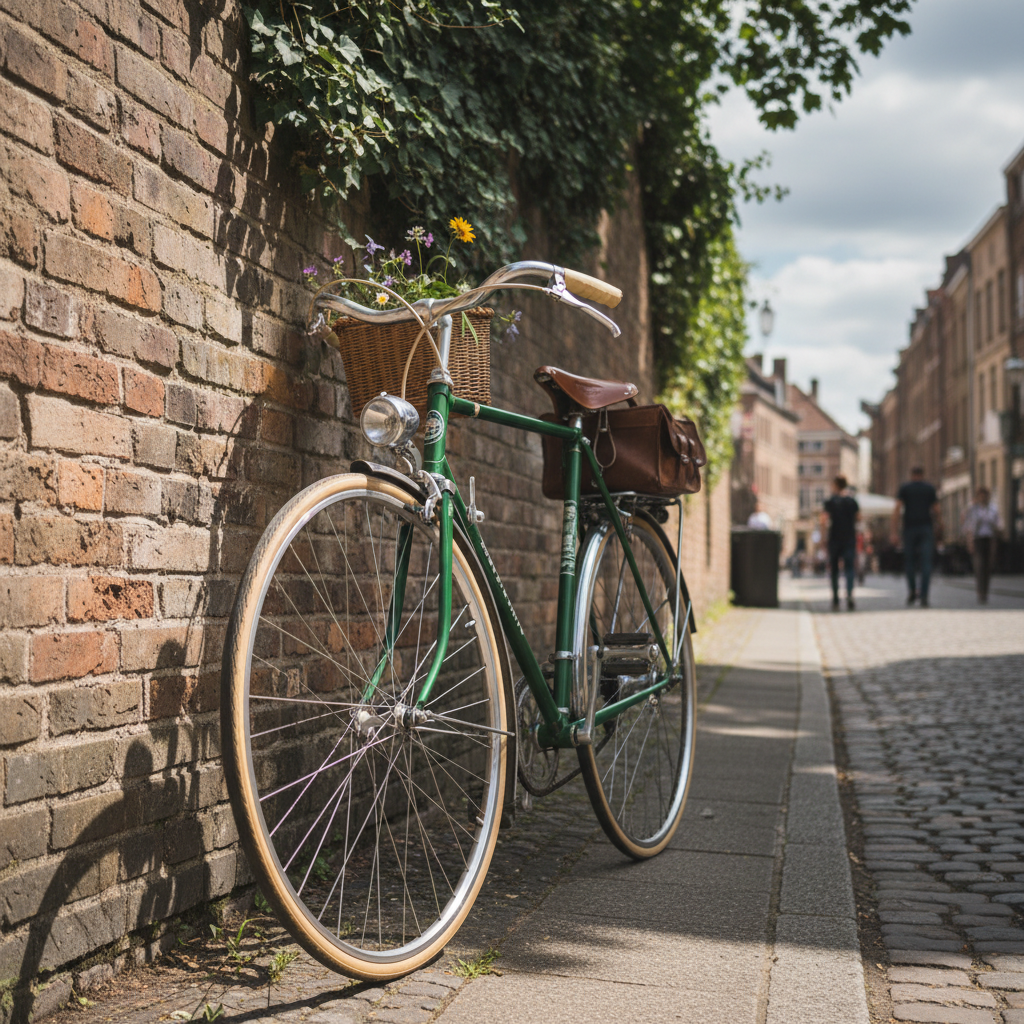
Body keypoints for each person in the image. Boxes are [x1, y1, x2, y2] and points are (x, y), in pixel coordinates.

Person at [892, 466, 942, 607]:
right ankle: (924, 595)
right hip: (926, 528)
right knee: (926, 563)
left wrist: (894, 531)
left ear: (912, 474)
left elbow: (897, 509)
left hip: (909, 528)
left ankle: (913, 591)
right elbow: (937, 510)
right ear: (922, 474)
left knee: (910, 562)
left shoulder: (905, 488)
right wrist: (940, 526)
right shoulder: (929, 488)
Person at [822, 476, 860, 610]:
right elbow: (858, 518)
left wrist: (822, 538)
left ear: (836, 485)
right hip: (849, 538)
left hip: (834, 538)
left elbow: (824, 520)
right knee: (849, 568)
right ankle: (849, 595)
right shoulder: (852, 501)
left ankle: (836, 599)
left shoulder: (830, 501)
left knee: (834, 570)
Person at [962, 487, 1002, 603]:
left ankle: (986, 592)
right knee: (979, 566)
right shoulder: (973, 509)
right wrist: (969, 542)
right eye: (981, 495)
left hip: (989, 539)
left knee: (988, 567)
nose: (983, 498)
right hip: (977, 539)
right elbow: (967, 526)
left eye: (985, 495)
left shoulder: (993, 509)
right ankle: (980, 592)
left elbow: (998, 523)